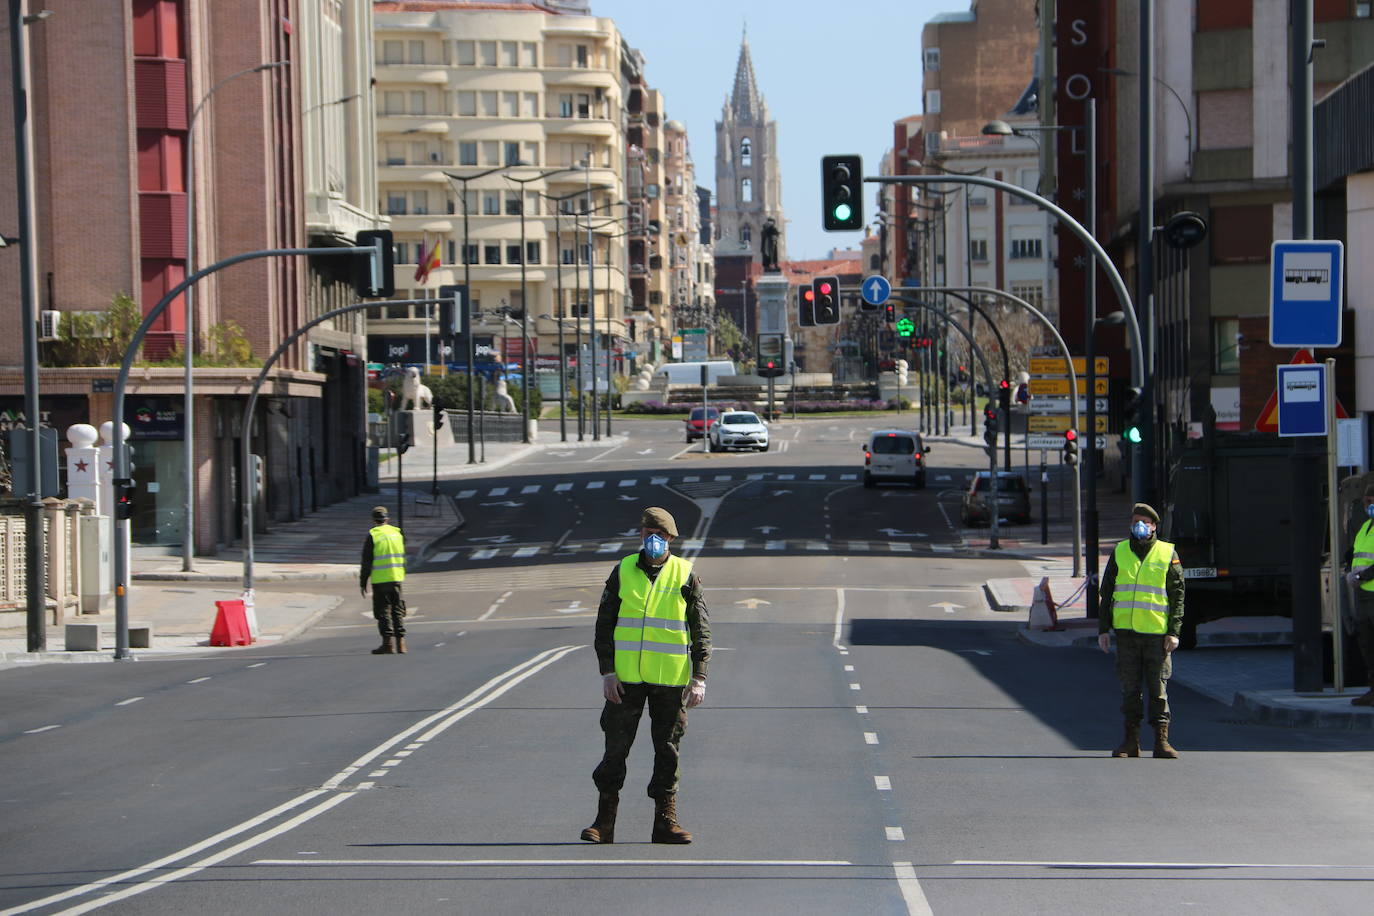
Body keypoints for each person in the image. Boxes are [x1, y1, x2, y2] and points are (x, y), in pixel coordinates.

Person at [581, 507, 711, 845]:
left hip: (670, 681)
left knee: (668, 751)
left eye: (660, 535)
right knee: (615, 750)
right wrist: (607, 672)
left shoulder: (685, 575)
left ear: (670, 539)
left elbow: (701, 629)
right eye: (648, 533)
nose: (654, 540)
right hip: (626, 682)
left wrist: (699, 677)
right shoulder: (623, 571)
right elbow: (604, 625)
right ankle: (603, 823)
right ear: (641, 535)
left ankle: (666, 823)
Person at [1097, 503, 1185, 758]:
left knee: (1158, 690)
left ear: (1154, 526)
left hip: (1157, 636)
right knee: (1130, 690)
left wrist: (1174, 631)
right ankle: (1130, 742)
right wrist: (1103, 629)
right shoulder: (1120, 551)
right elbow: (1107, 592)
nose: (1140, 526)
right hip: (1126, 635)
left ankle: (1161, 742)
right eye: (1136, 521)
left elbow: (1178, 595)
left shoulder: (1167, 553)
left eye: (1145, 522)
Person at [1341, 485, 1374, 706]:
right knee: (1367, 646)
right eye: (1366, 502)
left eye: (1372, 501)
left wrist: (1362, 576)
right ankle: (1372, 691)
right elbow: (1356, 554)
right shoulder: (1365, 527)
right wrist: (1350, 568)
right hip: (1364, 595)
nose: (1368, 505)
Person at [360, 506, 407, 655]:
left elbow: (366, 561)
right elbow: (403, 553)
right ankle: (401, 644)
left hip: (380, 579)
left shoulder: (373, 535)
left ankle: (388, 644)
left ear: (374, 520)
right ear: (387, 519)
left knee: (383, 611)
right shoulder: (397, 532)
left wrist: (363, 581)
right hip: (396, 577)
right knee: (397, 609)